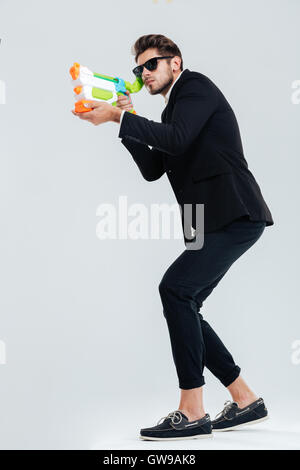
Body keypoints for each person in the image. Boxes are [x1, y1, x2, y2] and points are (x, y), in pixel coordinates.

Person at [72, 34, 274, 441]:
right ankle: (245, 398)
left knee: (175, 290)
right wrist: (125, 119)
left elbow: (178, 139)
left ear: (175, 64)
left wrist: (117, 117)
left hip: (235, 213)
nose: (143, 74)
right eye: (139, 69)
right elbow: (153, 167)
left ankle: (192, 409)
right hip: (210, 222)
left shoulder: (196, 87)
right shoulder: (172, 115)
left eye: (151, 65)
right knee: (186, 300)